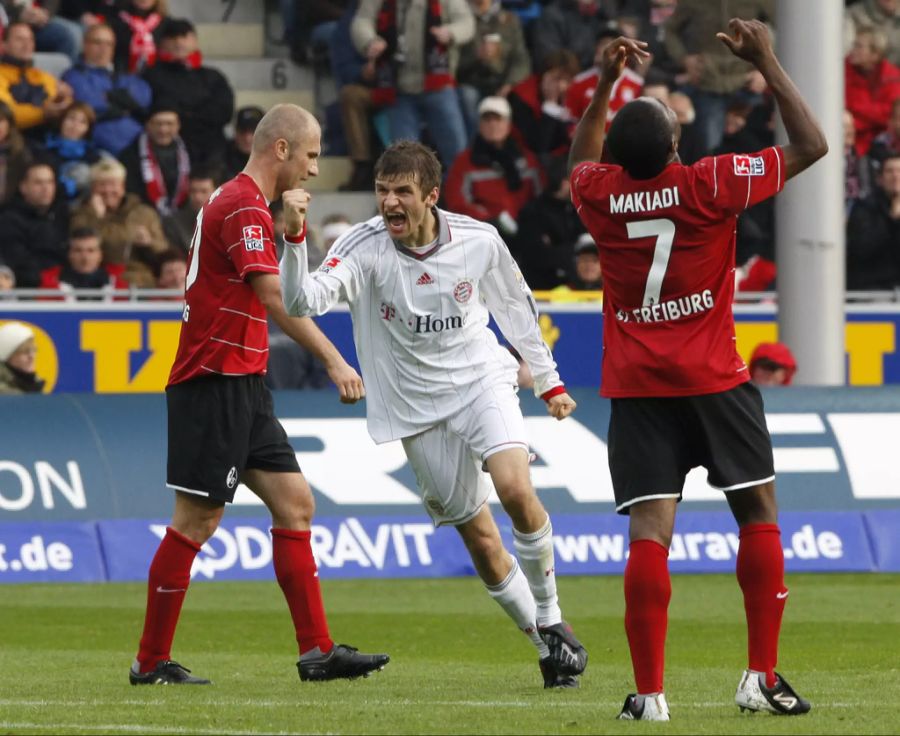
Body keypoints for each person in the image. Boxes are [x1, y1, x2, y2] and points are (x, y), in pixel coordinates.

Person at [568, 20, 827, 720]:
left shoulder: (597, 194)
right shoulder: (712, 182)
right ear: (678, 148)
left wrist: (604, 86)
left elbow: (579, 161)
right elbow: (812, 145)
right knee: (758, 515)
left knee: (650, 534)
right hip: (716, 381)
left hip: (638, 391)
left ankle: (650, 695)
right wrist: (769, 59)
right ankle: (760, 678)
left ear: (616, 162)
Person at [281, 139, 588, 690]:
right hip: (415, 408)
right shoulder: (364, 246)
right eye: (381, 191)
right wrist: (295, 238)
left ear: (431, 196)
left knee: (516, 490)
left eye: (402, 192)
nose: (390, 203)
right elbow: (303, 302)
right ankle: (546, 648)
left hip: (480, 381)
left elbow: (517, 309)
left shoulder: (479, 240)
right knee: (482, 540)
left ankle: (552, 616)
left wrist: (549, 381)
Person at [129, 103, 389, 686]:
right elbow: (276, 298)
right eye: (312, 154)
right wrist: (334, 359)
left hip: (245, 381)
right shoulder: (244, 204)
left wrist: (292, 232)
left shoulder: (244, 205)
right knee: (197, 521)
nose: (316, 170)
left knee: (295, 503)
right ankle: (149, 662)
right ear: (281, 149)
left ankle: (317, 651)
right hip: (213, 381)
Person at [350, 0, 474, 171]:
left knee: (457, 153)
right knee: (403, 161)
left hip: (439, 86)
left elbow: (466, 22)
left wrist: (451, 32)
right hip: (399, 89)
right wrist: (370, 41)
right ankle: (410, 196)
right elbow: (362, 20)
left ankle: (455, 196)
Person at [443, 95, 543, 244]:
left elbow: (540, 196)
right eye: (487, 120)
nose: (492, 124)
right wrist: (491, 221)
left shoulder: (527, 159)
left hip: (526, 232)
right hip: (483, 234)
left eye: (498, 119)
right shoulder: (464, 162)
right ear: (479, 125)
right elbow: (457, 204)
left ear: (509, 124)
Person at [140, 17, 234, 166]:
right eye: (172, 37)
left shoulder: (213, 76)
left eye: (184, 36)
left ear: (194, 41)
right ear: (162, 43)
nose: (178, 42)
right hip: (170, 147)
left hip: (211, 146)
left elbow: (225, 111)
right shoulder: (151, 76)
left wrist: (186, 115)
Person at [62, 22, 153, 156]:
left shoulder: (125, 74)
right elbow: (89, 104)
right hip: (102, 144)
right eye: (97, 43)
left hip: (138, 141)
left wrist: (110, 97)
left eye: (108, 44)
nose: (103, 49)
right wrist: (125, 103)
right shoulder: (74, 75)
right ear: (85, 45)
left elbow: (144, 98)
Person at [0, 160, 69, 287]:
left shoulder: (64, 215)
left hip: (65, 287)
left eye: (50, 182)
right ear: (23, 187)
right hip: (30, 291)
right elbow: (18, 261)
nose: (45, 188)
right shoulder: (9, 220)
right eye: (38, 183)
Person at [0, 21, 74, 132]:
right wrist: (43, 113)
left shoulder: (41, 75)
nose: (27, 45)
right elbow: (6, 115)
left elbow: (61, 104)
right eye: (19, 39)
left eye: (30, 39)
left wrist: (63, 100)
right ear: (3, 45)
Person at [119, 102, 190, 216]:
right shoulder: (130, 155)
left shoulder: (191, 150)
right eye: (158, 124)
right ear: (148, 125)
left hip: (184, 215)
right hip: (145, 215)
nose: (163, 130)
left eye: (169, 124)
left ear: (178, 126)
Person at [846, 152, 900, 290]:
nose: (895, 176)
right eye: (889, 171)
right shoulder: (864, 207)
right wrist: (892, 219)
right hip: (871, 290)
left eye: (899, 171)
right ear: (880, 179)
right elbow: (861, 250)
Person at [39, 225, 128, 300]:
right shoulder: (51, 281)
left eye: (91, 251)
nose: (85, 257)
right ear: (69, 254)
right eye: (78, 251)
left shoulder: (118, 282)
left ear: (100, 255)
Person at [0, 321, 44, 394]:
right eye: (25, 352)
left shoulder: (32, 384)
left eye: (33, 350)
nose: (32, 356)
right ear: (7, 356)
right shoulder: (6, 394)